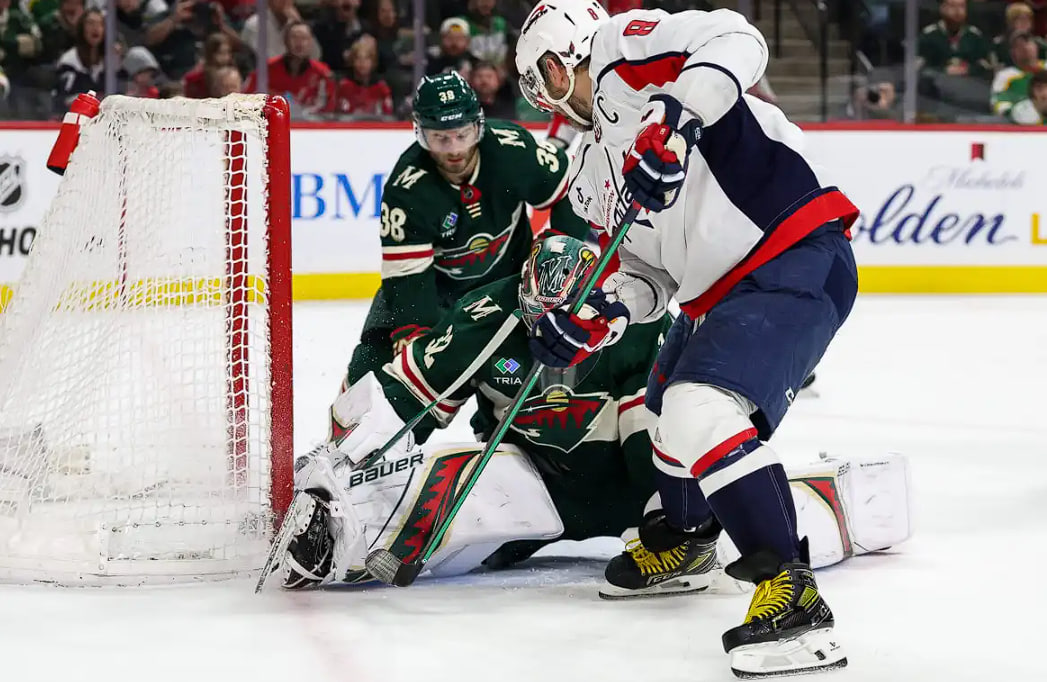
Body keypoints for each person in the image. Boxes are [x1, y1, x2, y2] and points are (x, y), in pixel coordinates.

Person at [515, 2, 859, 678]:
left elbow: (737, 36)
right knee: (663, 412)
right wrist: (599, 318)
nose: (545, 93)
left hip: (790, 250)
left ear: (562, 57)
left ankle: (792, 595)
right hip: (715, 293)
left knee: (700, 407)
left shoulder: (623, 50)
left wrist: (674, 118)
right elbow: (647, 279)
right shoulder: (588, 174)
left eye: (544, 74)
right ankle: (689, 537)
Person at [277, 236, 911, 592]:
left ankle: (845, 499)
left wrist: (667, 518)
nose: (545, 330)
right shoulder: (487, 316)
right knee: (452, 476)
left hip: (641, 488)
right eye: (535, 313)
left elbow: (656, 431)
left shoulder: (636, 322)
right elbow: (405, 391)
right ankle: (337, 538)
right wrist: (340, 458)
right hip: (535, 485)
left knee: (724, 512)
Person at [342, 71, 590, 388]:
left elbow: (568, 188)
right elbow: (406, 274)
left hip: (508, 288)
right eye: (440, 138)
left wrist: (558, 252)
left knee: (519, 378)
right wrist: (415, 332)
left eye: (462, 134)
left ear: (478, 125)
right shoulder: (407, 190)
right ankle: (351, 416)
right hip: (433, 294)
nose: (454, 150)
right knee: (371, 368)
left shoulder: (512, 149)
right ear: (420, 133)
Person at [991, 32, 1046, 116]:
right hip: (1024, 119)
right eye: (1019, 45)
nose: (1025, 47)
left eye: (1028, 42)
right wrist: (1014, 113)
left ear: (1036, 47)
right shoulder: (1005, 76)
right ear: (1013, 53)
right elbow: (997, 102)